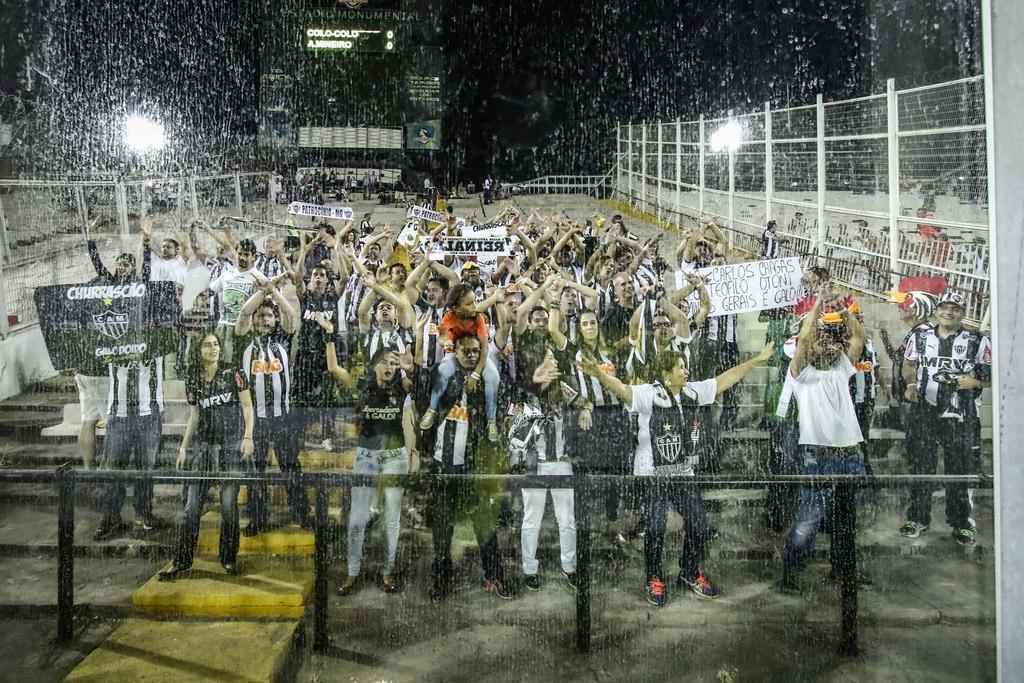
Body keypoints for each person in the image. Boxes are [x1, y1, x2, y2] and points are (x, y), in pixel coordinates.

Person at [581, 342, 774, 607]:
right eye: (680, 367)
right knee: (656, 527)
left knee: (698, 524)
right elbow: (622, 390)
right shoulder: (650, 394)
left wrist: (757, 360)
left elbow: (725, 380)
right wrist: (600, 375)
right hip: (652, 474)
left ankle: (689, 571)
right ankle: (654, 577)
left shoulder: (692, 392)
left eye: (685, 366)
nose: (686, 371)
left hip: (683, 472)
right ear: (666, 372)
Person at [779, 287, 867, 591]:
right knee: (808, 520)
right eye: (822, 342)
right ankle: (790, 572)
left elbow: (858, 339)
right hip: (818, 455)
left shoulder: (842, 369)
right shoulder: (800, 375)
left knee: (846, 521)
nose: (828, 346)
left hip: (850, 455)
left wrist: (843, 310)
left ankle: (842, 571)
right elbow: (804, 339)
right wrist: (818, 304)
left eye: (832, 342)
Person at [327, 335, 419, 595]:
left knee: (392, 519)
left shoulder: (402, 386)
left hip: (394, 457)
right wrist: (330, 334)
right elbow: (334, 368)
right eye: (384, 362)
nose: (389, 366)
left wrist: (413, 453)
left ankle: (388, 571)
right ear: (374, 365)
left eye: (393, 362)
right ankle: (352, 572)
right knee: (357, 519)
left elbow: (411, 413)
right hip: (366, 456)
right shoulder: (363, 385)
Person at [158, 332, 255, 580]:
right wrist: (183, 447)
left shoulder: (234, 373)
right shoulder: (193, 378)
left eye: (215, 344)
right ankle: (181, 561)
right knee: (190, 507)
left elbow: (247, 406)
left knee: (228, 506)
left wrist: (248, 437)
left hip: (231, 446)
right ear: (198, 350)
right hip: (203, 448)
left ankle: (228, 559)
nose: (212, 348)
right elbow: (195, 416)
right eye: (207, 345)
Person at [426, 334, 513, 601]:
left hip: (474, 466)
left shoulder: (487, 379)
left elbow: (499, 408)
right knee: (442, 529)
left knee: (485, 526)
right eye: (467, 351)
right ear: (456, 352)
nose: (472, 355)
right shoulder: (444, 377)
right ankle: (442, 579)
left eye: (476, 351)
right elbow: (426, 402)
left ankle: (494, 576)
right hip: (445, 465)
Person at [900, 291, 991, 546]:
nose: (949, 312)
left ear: (963, 313)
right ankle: (917, 519)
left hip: (962, 415)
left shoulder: (976, 340)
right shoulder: (919, 335)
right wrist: (910, 384)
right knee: (921, 466)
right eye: (944, 307)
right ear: (936, 310)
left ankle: (962, 523)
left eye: (955, 308)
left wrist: (971, 381)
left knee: (960, 470)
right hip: (925, 412)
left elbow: (989, 376)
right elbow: (909, 364)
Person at [235, 282, 310, 534]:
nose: (264, 319)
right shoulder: (245, 338)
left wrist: (273, 292)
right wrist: (262, 292)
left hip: (282, 418)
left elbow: (291, 314)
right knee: (256, 470)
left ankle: (302, 513)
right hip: (254, 420)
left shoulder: (283, 339)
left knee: (290, 466)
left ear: (275, 320)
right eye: (261, 316)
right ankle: (257, 518)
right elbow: (244, 312)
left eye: (268, 315)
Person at [511, 347, 578, 592]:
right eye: (547, 361)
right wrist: (534, 388)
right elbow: (513, 425)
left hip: (561, 461)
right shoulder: (525, 394)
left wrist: (586, 410)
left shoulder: (565, 390)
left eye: (554, 360)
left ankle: (569, 566)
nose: (552, 365)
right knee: (532, 519)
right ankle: (530, 569)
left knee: (567, 520)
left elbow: (585, 402)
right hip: (535, 463)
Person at [92, 352, 166, 540]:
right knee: (112, 467)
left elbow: (172, 337)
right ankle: (111, 515)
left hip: (149, 412)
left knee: (146, 468)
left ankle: (143, 512)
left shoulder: (157, 331)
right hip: (119, 412)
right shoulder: (114, 331)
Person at [420, 284, 500, 442]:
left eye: (475, 301)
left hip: (478, 354)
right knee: (443, 371)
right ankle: (432, 408)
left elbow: (484, 349)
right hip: (457, 355)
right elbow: (442, 337)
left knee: (493, 377)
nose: (475, 306)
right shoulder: (449, 317)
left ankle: (491, 420)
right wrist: (447, 342)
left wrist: (476, 374)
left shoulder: (478, 318)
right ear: (456, 308)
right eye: (469, 303)